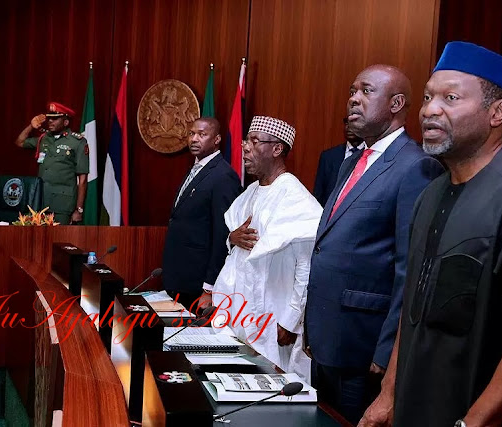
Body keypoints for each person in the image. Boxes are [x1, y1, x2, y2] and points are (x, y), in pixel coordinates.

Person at [360, 42, 502, 427]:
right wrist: (389, 395)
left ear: (497, 112)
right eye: (427, 97)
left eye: (450, 97)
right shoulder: (431, 193)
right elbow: (413, 308)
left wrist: (471, 423)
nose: (429, 110)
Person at [304, 65, 443, 423]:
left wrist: (385, 353)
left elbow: (408, 268)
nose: (353, 98)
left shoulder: (416, 166)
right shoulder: (351, 162)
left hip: (363, 349)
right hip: (326, 339)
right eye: (352, 90)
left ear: (396, 103)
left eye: (366, 91)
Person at [211, 115, 323, 380]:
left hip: (273, 318)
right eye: (246, 140)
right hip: (239, 314)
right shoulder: (250, 192)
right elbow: (237, 250)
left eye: (255, 141)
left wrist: (291, 321)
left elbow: (306, 268)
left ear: (277, 149)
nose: (245, 147)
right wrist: (231, 239)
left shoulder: (295, 197)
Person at [162, 117, 241, 311]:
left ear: (217, 139)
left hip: (198, 283)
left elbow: (222, 234)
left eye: (202, 134)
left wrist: (209, 288)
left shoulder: (223, 176)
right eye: (191, 134)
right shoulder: (197, 169)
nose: (194, 139)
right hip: (180, 276)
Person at [14, 102, 89, 225]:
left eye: (55, 118)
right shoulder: (44, 138)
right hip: (40, 200)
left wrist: (79, 210)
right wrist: (31, 127)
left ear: (66, 122)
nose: (50, 121)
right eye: (49, 118)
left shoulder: (77, 142)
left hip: (62, 204)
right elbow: (20, 142)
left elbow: (83, 180)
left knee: (58, 239)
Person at [313, 117, 366, 206]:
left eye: (354, 122)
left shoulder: (372, 155)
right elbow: (319, 194)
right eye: (346, 123)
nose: (348, 127)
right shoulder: (328, 156)